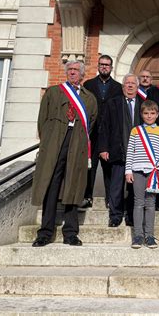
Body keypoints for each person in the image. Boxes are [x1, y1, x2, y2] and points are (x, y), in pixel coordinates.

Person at [31, 61, 98, 247]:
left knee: (73, 186)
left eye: (76, 70)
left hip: (76, 144)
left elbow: (90, 123)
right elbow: (42, 120)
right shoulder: (53, 92)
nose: (72, 73)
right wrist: (48, 143)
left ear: (82, 75)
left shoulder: (89, 98)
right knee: (51, 185)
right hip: (54, 145)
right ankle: (45, 232)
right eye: (69, 70)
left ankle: (70, 233)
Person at [99, 74, 143, 227]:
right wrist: (103, 148)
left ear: (137, 87)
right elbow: (104, 126)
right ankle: (115, 216)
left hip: (138, 155)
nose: (130, 86)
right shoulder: (113, 103)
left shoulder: (144, 104)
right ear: (123, 86)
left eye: (133, 83)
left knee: (133, 188)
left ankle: (131, 216)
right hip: (118, 151)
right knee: (116, 186)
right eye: (127, 83)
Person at [80, 55, 122, 210]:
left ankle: (110, 199)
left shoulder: (118, 87)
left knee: (109, 168)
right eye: (102, 64)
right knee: (89, 167)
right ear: (98, 66)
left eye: (107, 65)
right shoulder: (88, 85)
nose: (105, 67)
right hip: (92, 133)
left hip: (110, 135)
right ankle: (87, 196)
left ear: (111, 67)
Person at [125, 100, 159, 249]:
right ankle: (138, 236)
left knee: (151, 204)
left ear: (157, 114)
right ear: (141, 114)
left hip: (153, 172)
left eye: (152, 113)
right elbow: (130, 151)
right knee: (138, 203)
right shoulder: (136, 130)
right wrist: (128, 171)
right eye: (146, 113)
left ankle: (149, 235)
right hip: (137, 170)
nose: (149, 116)